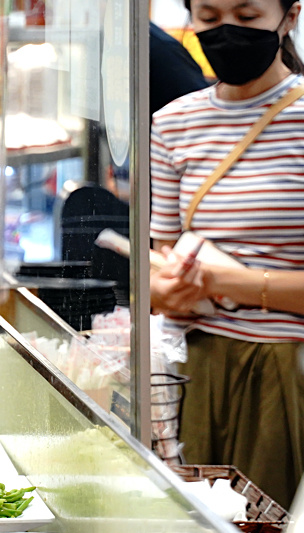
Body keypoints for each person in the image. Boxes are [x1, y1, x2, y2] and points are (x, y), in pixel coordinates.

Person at [151, 0, 304, 507]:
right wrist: (165, 289)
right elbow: (161, 262)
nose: (228, 33)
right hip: (197, 367)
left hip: (288, 371)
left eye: (247, 16)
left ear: (290, 17)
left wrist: (226, 283)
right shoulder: (174, 124)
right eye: (211, 19)